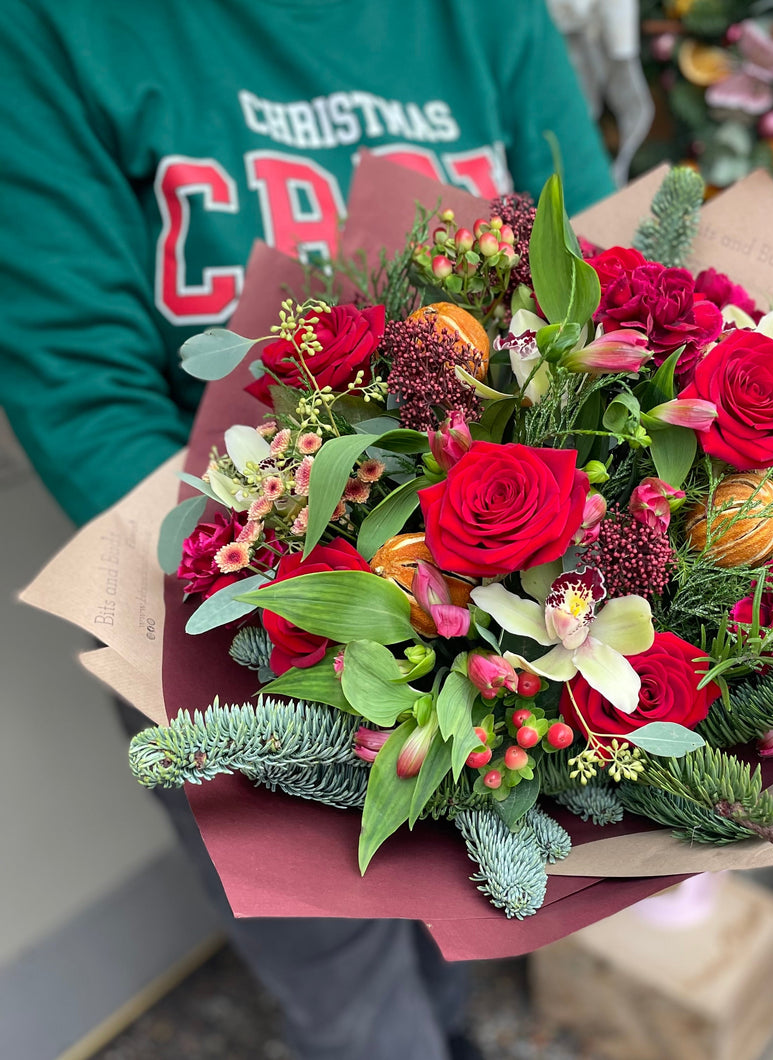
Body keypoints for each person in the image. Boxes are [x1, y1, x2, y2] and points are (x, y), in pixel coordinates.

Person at [0, 2, 614, 1057]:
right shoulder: (55, 28)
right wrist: (276, 612)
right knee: (350, 990)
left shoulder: (486, 16)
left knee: (458, 918)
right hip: (221, 626)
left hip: (496, 625)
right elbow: (82, 384)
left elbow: (596, 272)